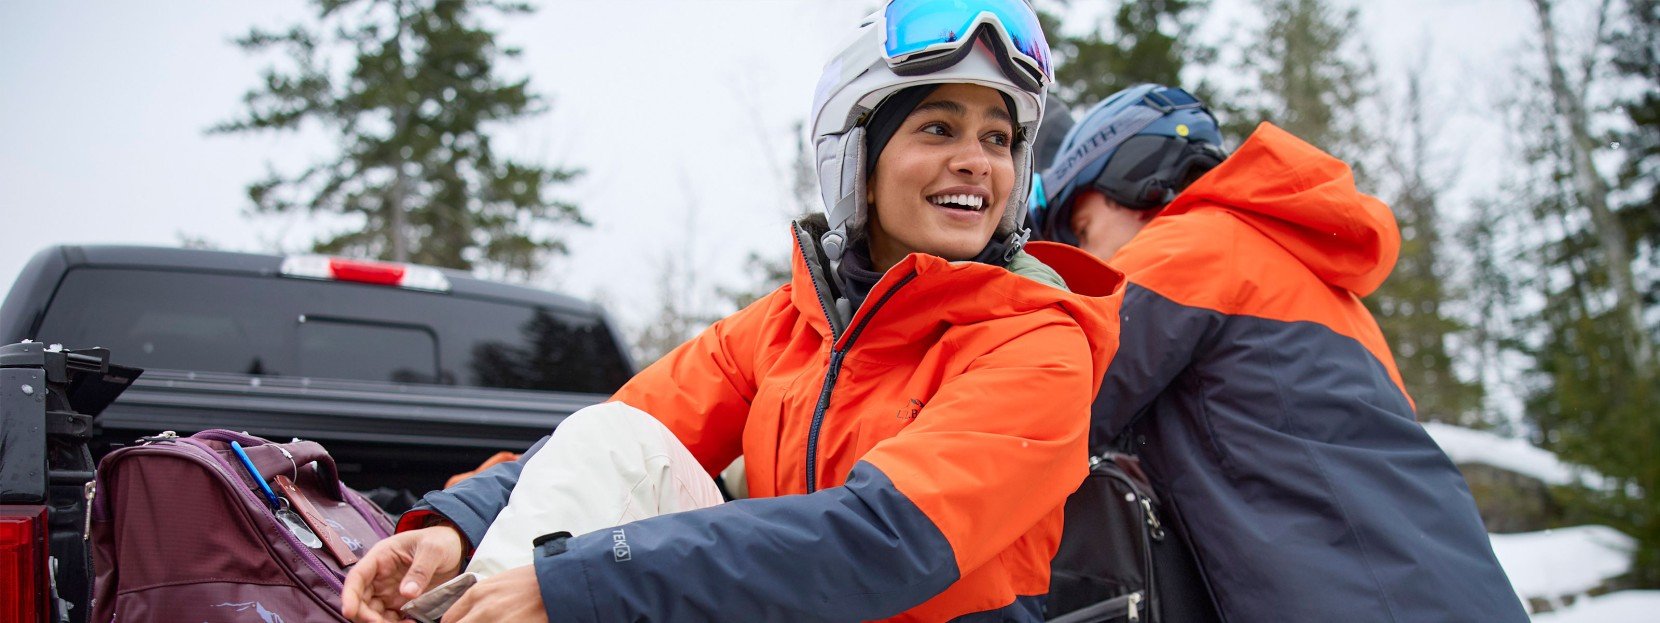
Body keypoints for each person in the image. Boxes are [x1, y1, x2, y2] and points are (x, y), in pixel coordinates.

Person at [342, 2, 1126, 622]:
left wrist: (579, 582)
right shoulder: (792, 323)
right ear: (859, 154)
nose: (976, 160)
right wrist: (454, 528)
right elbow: (617, 442)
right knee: (608, 438)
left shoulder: (1039, 343)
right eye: (938, 127)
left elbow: (878, 540)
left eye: (998, 136)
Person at [1029, 84, 1529, 621]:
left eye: (1082, 229)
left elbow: (1050, 413)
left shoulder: (1190, 248)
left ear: (1131, 175)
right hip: (1454, 590)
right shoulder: (1311, 281)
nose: (1085, 255)